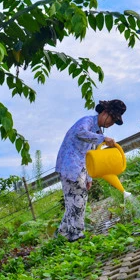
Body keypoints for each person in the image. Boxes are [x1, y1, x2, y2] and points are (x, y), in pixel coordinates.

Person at [55, 99, 126, 242]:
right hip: (70, 166)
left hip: (80, 168)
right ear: (105, 113)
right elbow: (80, 133)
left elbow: (91, 157)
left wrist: (89, 178)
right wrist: (103, 138)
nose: (111, 124)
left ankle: (60, 237)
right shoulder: (87, 122)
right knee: (77, 201)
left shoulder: (97, 131)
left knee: (76, 202)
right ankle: (76, 237)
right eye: (112, 120)